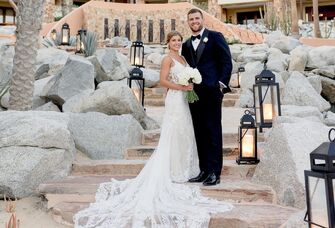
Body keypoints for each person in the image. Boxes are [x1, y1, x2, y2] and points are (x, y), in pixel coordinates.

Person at [73, 31, 232, 228]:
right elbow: (162, 81)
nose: (176, 43)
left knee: (187, 133)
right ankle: (175, 170)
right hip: (176, 99)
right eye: (173, 40)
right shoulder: (167, 59)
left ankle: (195, 169)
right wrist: (182, 88)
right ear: (167, 43)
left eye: (178, 40)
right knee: (174, 133)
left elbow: (217, 63)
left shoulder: (183, 56)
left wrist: (199, 84)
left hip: (188, 100)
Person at [182, 8, 233, 186]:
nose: (194, 21)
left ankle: (214, 172)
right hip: (194, 94)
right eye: (191, 19)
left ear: (202, 20)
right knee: (199, 131)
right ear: (188, 22)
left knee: (213, 131)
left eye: (197, 18)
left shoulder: (215, 37)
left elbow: (226, 61)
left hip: (212, 92)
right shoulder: (186, 44)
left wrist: (220, 85)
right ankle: (204, 170)